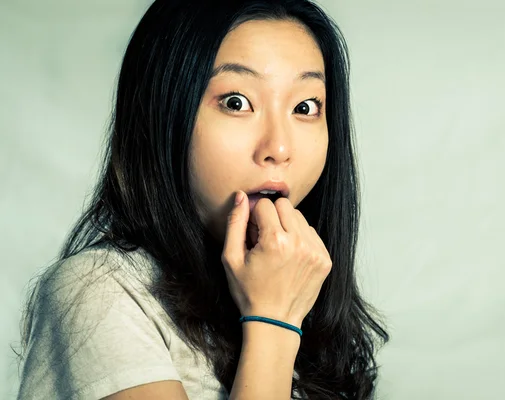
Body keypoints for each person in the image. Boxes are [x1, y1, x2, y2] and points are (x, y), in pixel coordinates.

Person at [16, 0, 389, 399]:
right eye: (236, 102)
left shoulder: (304, 291)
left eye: (305, 107)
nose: (278, 147)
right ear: (164, 115)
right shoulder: (99, 291)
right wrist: (273, 323)